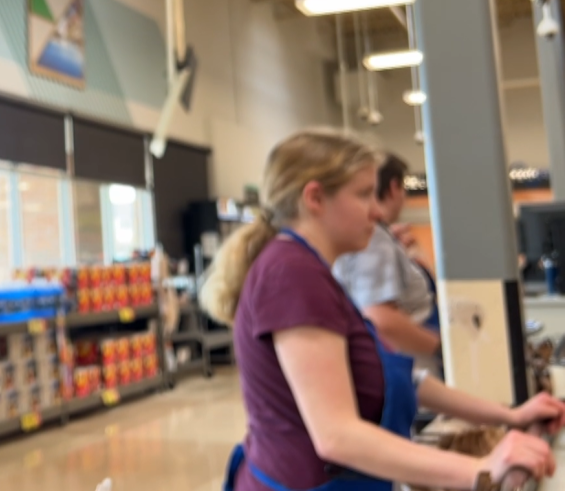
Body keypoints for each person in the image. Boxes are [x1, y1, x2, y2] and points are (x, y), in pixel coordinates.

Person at [200, 130, 565, 491]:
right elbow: (336, 436)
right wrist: (481, 469)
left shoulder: (312, 272)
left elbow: (402, 379)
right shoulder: (292, 275)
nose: (377, 211)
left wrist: (510, 414)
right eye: (363, 195)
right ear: (315, 198)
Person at [332, 153, 442, 378]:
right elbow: (380, 318)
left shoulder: (379, 238)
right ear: (394, 187)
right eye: (364, 194)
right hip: (408, 367)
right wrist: (443, 349)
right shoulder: (374, 239)